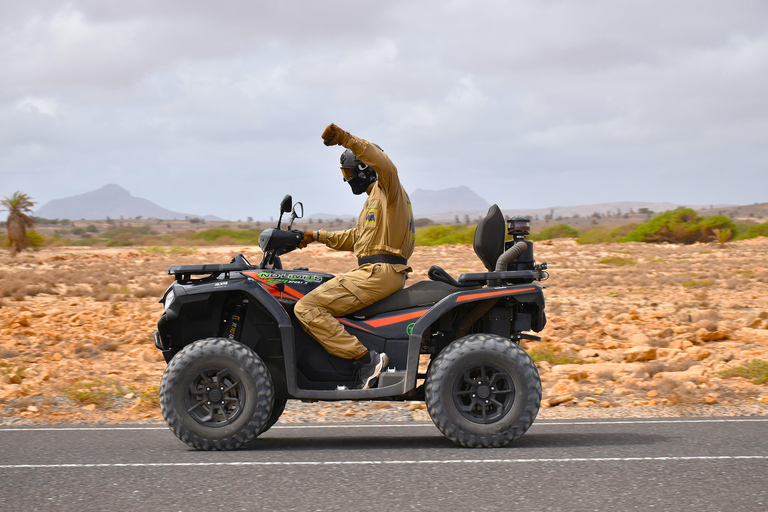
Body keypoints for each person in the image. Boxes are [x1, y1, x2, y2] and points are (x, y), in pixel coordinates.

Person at [294, 123, 416, 389]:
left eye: (348, 171)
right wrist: (315, 236)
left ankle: (366, 359)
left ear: (365, 169)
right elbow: (356, 238)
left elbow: (385, 164)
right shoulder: (375, 199)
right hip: (377, 270)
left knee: (306, 307)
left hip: (379, 273)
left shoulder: (388, 189)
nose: (346, 178)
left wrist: (345, 139)